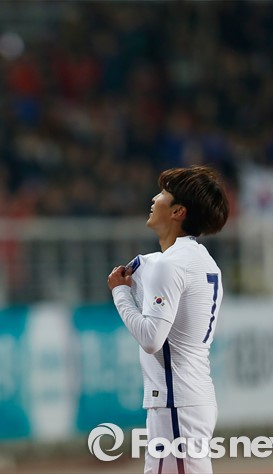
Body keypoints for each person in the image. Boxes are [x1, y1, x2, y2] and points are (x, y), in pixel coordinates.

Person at [107, 165, 230, 474]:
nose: (154, 198)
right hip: (190, 398)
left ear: (178, 211)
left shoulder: (171, 264)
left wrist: (120, 293)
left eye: (163, 194)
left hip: (176, 402)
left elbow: (151, 339)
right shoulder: (202, 260)